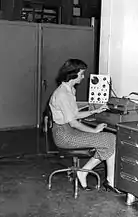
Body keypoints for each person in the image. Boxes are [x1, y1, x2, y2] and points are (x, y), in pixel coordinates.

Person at [49, 58, 120, 193]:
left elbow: (74, 114)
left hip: (67, 130)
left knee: (109, 139)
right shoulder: (62, 94)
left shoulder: (69, 90)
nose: (83, 77)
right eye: (81, 74)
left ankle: (85, 172)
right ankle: (105, 179)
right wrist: (94, 130)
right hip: (64, 135)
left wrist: (94, 111)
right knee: (110, 139)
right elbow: (73, 122)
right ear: (73, 74)